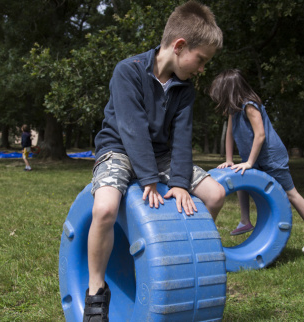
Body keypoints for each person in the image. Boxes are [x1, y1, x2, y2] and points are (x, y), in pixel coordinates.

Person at [84, 2, 225, 321]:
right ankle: (95, 291)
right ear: (179, 46)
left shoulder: (184, 90)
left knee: (216, 194)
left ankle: (182, 256)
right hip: (118, 147)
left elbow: (182, 138)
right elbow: (132, 129)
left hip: (162, 155)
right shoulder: (128, 71)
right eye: (201, 60)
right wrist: (148, 180)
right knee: (104, 208)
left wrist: (178, 183)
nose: (202, 69)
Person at [209, 69, 304, 254]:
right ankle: (245, 221)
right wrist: (229, 160)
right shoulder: (233, 109)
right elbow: (230, 134)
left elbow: (260, 135)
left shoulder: (250, 105)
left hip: (271, 156)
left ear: (230, 91)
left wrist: (249, 162)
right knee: (241, 180)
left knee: (290, 193)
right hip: (253, 157)